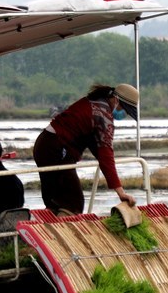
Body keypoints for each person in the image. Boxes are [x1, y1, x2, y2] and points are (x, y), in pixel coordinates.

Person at [33, 83, 139, 215]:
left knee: (55, 201)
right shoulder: (103, 115)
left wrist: (115, 184)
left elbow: (98, 148)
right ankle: (60, 227)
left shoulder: (93, 102)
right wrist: (121, 192)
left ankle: (44, 225)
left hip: (44, 145)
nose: (124, 114)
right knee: (73, 204)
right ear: (116, 100)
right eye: (125, 109)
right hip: (56, 149)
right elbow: (106, 155)